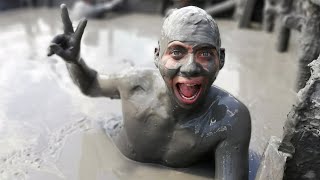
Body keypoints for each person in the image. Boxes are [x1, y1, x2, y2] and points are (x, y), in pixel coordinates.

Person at [47, 4, 251, 179]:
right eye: (177, 52)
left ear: (221, 59)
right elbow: (91, 85)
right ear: (157, 56)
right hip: (115, 148)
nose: (190, 67)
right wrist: (74, 61)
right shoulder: (134, 83)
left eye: (205, 53)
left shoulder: (230, 119)